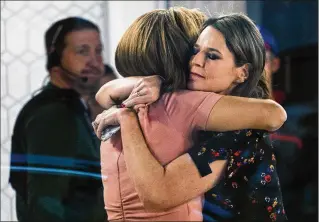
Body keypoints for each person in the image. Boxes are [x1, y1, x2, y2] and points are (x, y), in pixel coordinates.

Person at [93, 8, 287, 221]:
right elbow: (104, 93)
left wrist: (127, 117)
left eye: (212, 56)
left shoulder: (234, 136)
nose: (196, 61)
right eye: (195, 51)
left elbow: (160, 193)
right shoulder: (187, 110)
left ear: (242, 73)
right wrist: (156, 81)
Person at [9, 17, 106, 222]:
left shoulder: (73, 107)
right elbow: (46, 204)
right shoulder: (53, 113)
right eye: (82, 51)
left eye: (98, 51)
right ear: (55, 57)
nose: (95, 62)